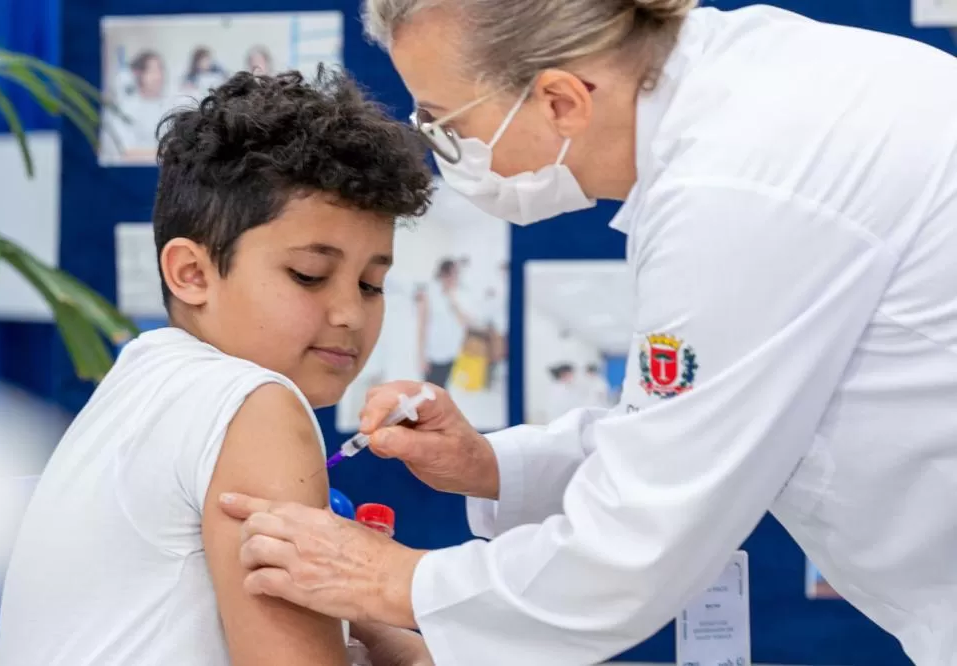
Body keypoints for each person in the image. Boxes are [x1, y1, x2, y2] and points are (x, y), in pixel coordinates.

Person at [218, 1, 957, 664]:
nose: (450, 158)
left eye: (448, 127)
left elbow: (642, 540)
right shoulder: (758, 90)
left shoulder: (738, 190)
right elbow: (687, 431)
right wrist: (488, 466)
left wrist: (392, 578)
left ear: (561, 101)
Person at [0, 68, 434, 665]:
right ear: (192, 273)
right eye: (309, 274)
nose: (349, 313)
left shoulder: (143, 376)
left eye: (371, 284)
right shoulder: (255, 402)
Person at [417, 259, 470, 387]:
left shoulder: (459, 294)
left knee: (443, 390)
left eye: (456, 274)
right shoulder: (429, 294)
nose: (455, 278)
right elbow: (421, 327)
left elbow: (464, 322)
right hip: (433, 354)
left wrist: (452, 300)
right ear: (443, 275)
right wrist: (421, 356)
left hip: (451, 353)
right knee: (429, 393)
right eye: (452, 274)